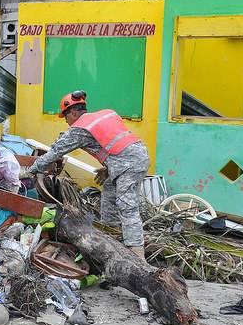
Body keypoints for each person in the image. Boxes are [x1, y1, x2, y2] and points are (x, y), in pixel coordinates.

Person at [23, 90, 150, 259]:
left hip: (129, 164)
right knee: (109, 197)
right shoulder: (106, 114)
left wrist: (29, 171)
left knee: (127, 206)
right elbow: (117, 142)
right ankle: (113, 236)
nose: (67, 123)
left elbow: (55, 152)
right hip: (135, 156)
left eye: (66, 117)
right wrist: (109, 168)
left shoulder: (80, 128)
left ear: (73, 112)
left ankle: (137, 255)